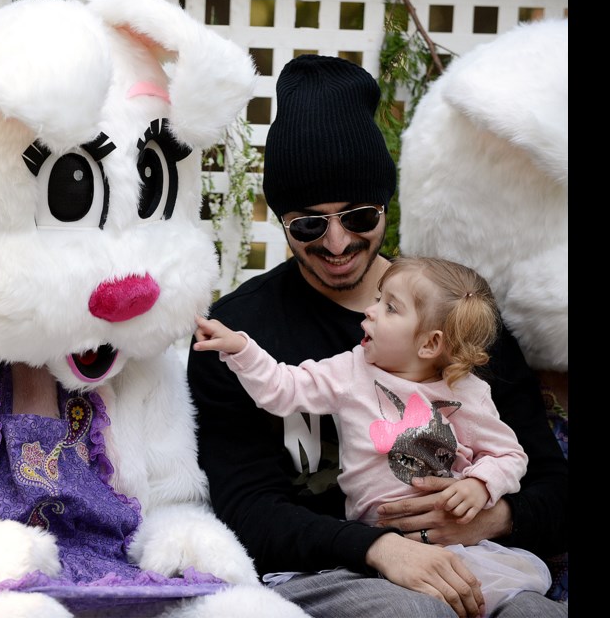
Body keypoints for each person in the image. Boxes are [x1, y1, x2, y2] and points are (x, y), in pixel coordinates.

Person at [187, 54, 568, 618]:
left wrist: (497, 514)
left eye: (360, 216)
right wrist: (376, 548)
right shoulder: (246, 331)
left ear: (386, 204)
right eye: (310, 224)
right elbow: (247, 509)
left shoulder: (456, 313)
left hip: (478, 554)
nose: (338, 244)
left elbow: (551, 480)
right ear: (281, 221)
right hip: (326, 568)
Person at [193, 256, 552, 613]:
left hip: (460, 546)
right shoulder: (351, 370)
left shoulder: (467, 392)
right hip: (372, 549)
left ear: (430, 344)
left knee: (528, 609)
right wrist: (241, 349)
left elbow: (510, 456)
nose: (370, 310)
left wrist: (480, 485)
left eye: (390, 308)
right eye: (379, 298)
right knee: (420, 609)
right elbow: (283, 388)